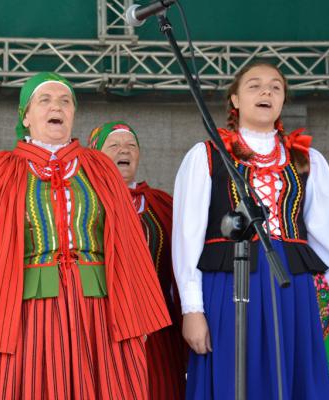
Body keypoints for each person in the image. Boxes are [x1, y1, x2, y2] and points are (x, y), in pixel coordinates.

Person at [0, 72, 171, 399]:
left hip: (98, 310)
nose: (56, 106)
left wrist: (138, 316)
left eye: (65, 101)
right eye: (44, 100)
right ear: (26, 116)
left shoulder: (99, 167)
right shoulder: (2, 168)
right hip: (26, 311)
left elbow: (128, 244)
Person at [172, 61, 329, 399]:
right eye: (254, 85)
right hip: (228, 282)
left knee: (295, 373)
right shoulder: (207, 156)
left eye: (275, 86)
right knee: (233, 374)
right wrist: (192, 309)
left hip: (295, 287)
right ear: (235, 100)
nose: (266, 91)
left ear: (283, 100)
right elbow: (187, 237)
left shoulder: (306, 159)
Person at [88, 121, 187, 400]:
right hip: (101, 322)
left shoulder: (160, 204)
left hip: (156, 327)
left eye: (131, 146)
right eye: (115, 145)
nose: (125, 151)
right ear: (95, 153)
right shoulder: (85, 202)